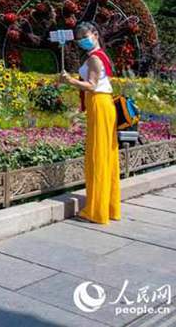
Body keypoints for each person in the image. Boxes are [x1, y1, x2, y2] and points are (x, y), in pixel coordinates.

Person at [59, 22, 120, 224]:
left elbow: (92, 86)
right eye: (79, 38)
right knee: (105, 155)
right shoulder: (98, 55)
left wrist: (70, 81)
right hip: (102, 104)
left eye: (85, 36)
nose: (82, 41)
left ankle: (96, 210)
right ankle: (107, 207)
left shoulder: (95, 57)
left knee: (98, 156)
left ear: (95, 34)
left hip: (99, 103)